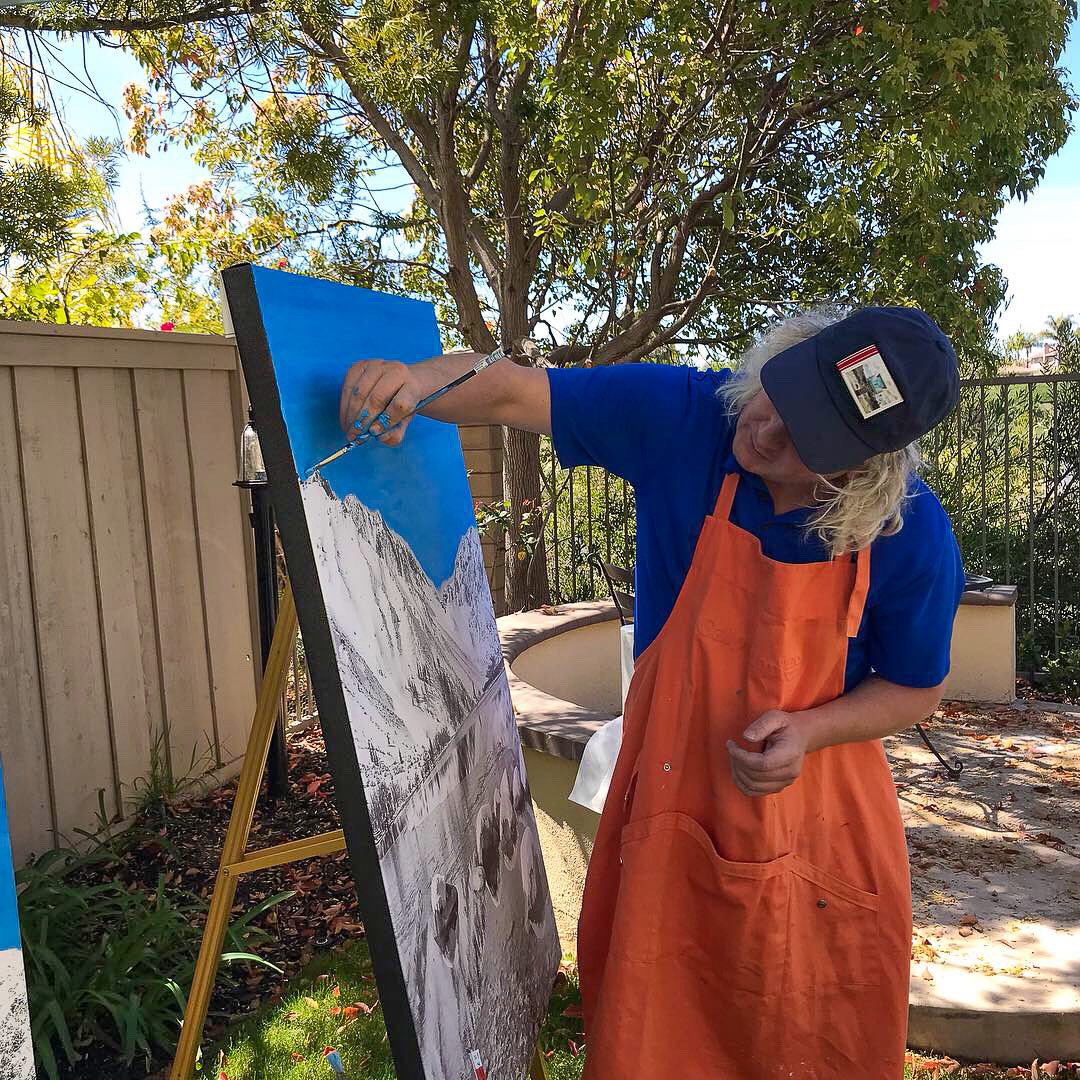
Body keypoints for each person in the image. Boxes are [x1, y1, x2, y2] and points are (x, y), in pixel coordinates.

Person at [338, 306, 965, 1079]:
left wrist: (813, 730)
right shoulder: (685, 418)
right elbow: (512, 393)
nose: (770, 432)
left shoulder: (909, 533)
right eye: (784, 399)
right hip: (674, 810)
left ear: (862, 468)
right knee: (659, 1035)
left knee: (807, 1041)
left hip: (820, 831)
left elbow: (914, 690)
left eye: (811, 441)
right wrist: (419, 380)